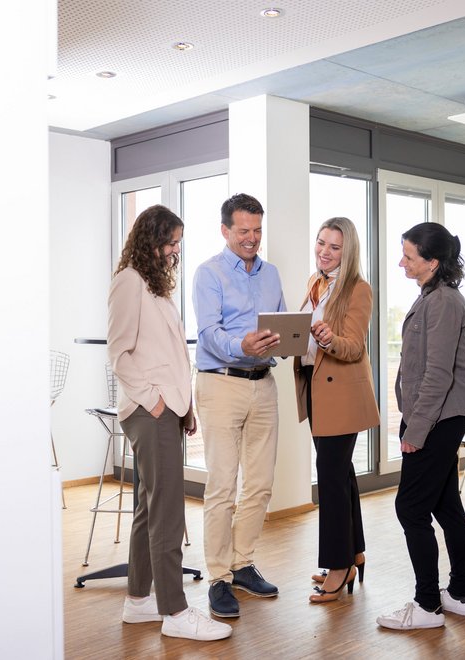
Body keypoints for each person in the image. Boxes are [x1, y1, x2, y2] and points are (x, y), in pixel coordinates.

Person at [108, 205, 232, 641]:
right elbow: (119, 354)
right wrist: (156, 402)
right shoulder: (129, 283)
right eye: (170, 242)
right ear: (150, 239)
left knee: (148, 506)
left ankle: (138, 600)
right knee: (166, 510)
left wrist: (185, 406)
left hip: (166, 410)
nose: (175, 250)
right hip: (148, 412)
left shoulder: (154, 285)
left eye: (178, 242)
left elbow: (172, 354)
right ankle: (176, 613)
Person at [376, 222, 465, 631]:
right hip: (442, 415)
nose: (402, 262)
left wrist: (414, 430)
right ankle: (459, 595)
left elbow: (437, 374)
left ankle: (426, 606)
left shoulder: (442, 302)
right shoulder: (435, 297)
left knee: (410, 507)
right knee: (445, 505)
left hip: (437, 419)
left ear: (432, 261)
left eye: (409, 256)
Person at [192, 193, 286, 618]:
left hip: (264, 384)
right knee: (223, 486)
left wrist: (291, 340)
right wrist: (240, 345)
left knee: (262, 483)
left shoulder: (272, 274)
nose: (252, 239)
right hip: (221, 384)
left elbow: (282, 323)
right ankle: (217, 577)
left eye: (258, 231)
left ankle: (242, 562)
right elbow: (208, 332)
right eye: (244, 231)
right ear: (225, 230)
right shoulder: (208, 273)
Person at [293, 217, 380, 604]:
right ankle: (355, 550)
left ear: (349, 252)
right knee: (341, 475)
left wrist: (330, 339)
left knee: (328, 479)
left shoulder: (358, 289)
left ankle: (338, 565)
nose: (324, 252)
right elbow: (304, 335)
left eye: (334, 247)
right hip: (315, 391)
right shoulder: (315, 284)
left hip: (342, 397)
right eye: (320, 243)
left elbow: (354, 347)